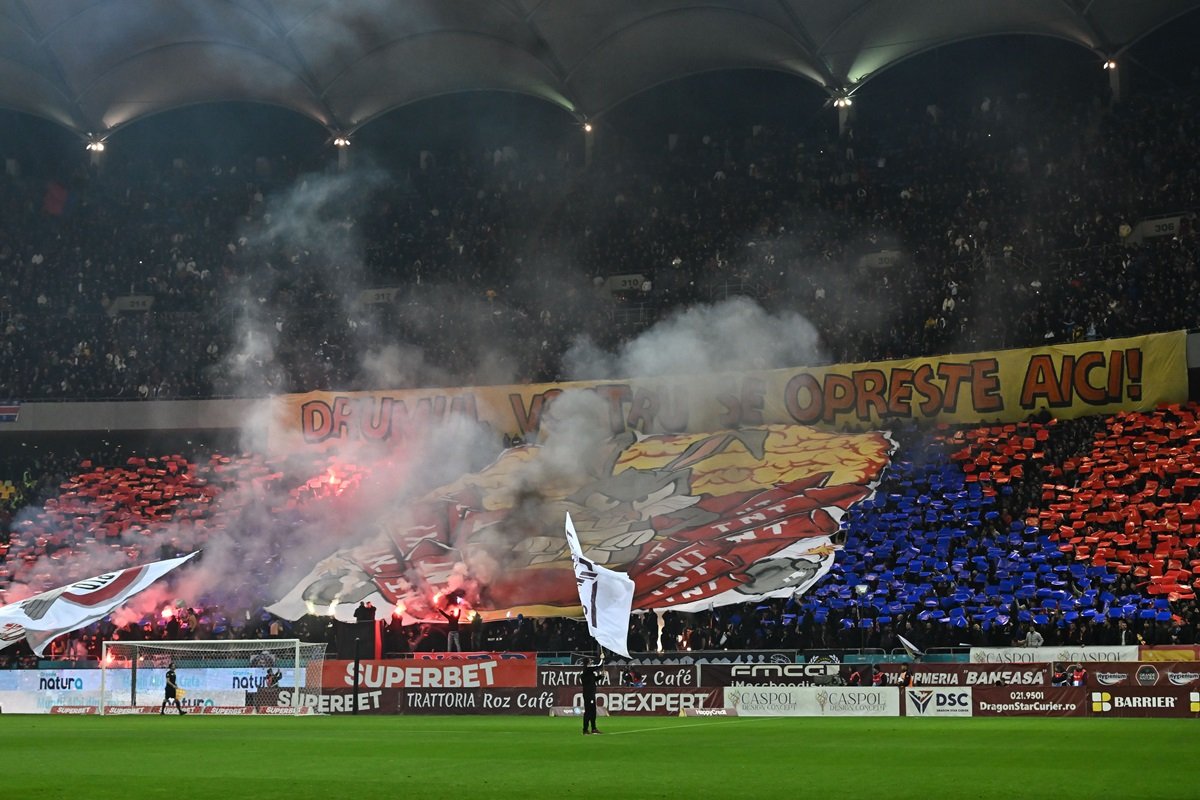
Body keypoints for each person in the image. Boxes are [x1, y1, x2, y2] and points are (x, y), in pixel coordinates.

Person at [581, 657, 603, 735]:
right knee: (588, 712)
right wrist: (602, 659)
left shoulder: (589, 672)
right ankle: (585, 730)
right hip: (588, 694)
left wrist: (601, 676)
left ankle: (594, 728)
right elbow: (599, 666)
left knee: (593, 711)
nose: (591, 662)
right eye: (590, 661)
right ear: (587, 662)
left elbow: (594, 679)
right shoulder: (587, 669)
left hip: (591, 694)